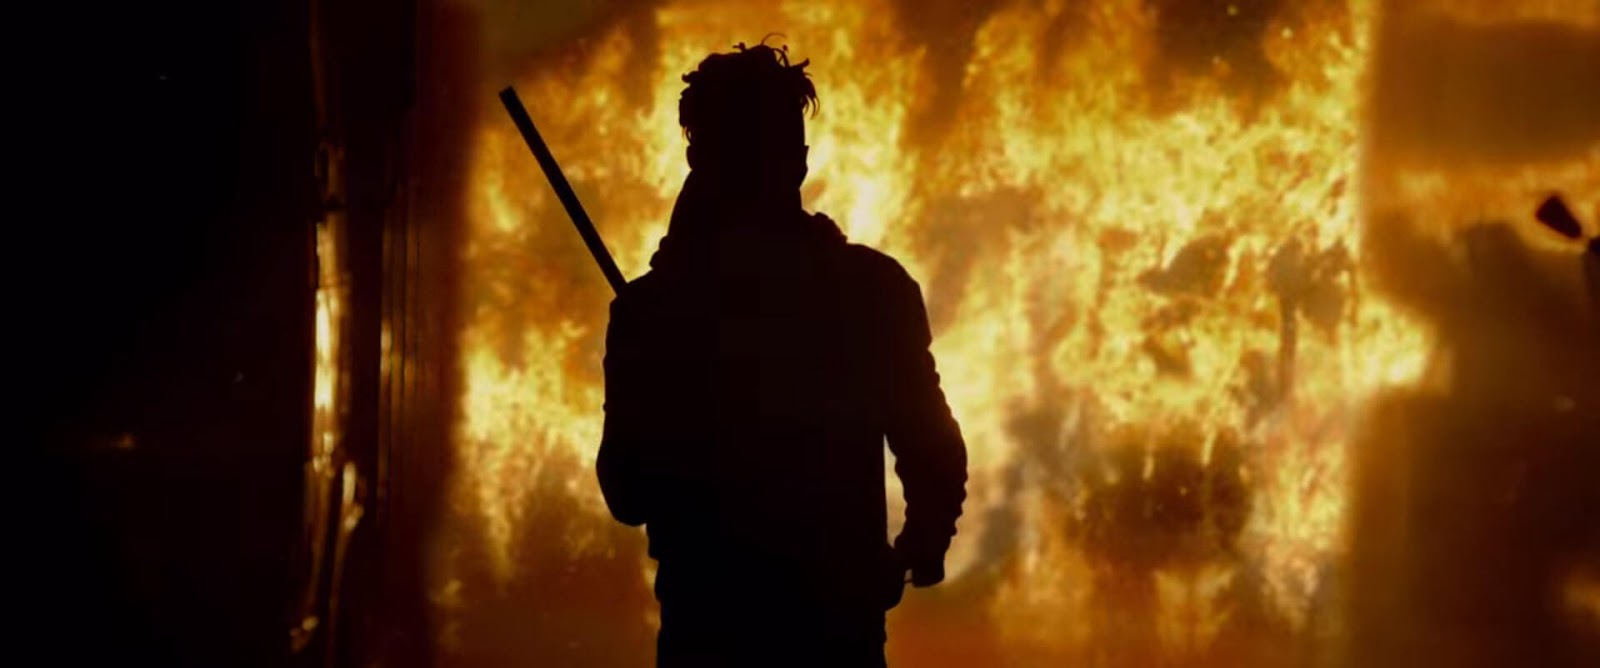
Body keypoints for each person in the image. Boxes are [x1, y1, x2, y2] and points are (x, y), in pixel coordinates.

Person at [596, 42, 968, 666]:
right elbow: (933, 450)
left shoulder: (651, 312)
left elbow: (627, 493)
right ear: (798, 160)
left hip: (710, 634)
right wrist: (918, 548)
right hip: (831, 634)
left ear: (696, 160)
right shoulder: (872, 290)